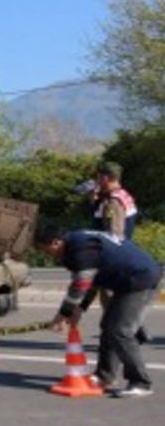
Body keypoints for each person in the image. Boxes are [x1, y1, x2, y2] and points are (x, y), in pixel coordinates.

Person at [36, 228, 162, 398]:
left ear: (55, 242)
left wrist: (63, 314)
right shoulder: (79, 241)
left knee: (120, 331)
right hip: (127, 282)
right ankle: (105, 376)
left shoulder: (79, 247)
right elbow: (93, 280)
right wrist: (80, 308)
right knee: (108, 326)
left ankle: (141, 382)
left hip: (140, 280)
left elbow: (82, 281)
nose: (48, 255)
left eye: (45, 250)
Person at [83, 161, 151, 344]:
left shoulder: (113, 201)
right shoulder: (120, 196)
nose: (97, 180)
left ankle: (125, 335)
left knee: (112, 300)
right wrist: (94, 200)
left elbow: (114, 234)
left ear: (106, 178)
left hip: (113, 258)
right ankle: (135, 331)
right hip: (120, 255)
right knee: (111, 298)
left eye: (99, 177)